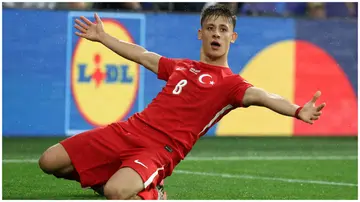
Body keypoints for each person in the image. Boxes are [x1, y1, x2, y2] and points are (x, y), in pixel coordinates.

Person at [38, 4, 325, 200]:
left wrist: (299, 110)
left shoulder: (231, 84)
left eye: (223, 29)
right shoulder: (181, 66)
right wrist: (102, 37)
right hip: (128, 130)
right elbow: (141, 54)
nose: (216, 33)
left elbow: (265, 96)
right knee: (49, 161)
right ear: (200, 34)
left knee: (116, 193)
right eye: (210, 28)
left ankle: (154, 192)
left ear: (232, 37)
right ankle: (119, 181)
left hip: (159, 149)